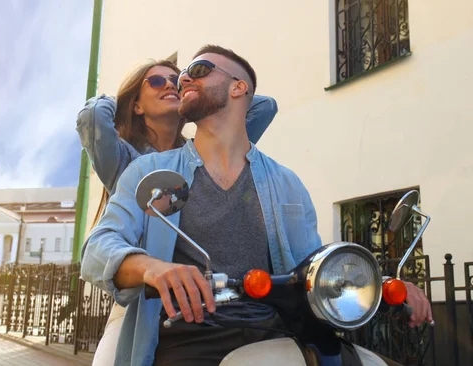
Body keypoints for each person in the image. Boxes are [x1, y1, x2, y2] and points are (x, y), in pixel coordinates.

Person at [81, 45, 433, 366]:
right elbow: (99, 247)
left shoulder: (286, 182)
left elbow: (313, 268)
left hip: (280, 331)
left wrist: (376, 282)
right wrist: (151, 267)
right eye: (181, 75)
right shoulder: (148, 170)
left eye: (199, 70)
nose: (183, 78)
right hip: (189, 337)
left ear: (237, 88)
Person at [76, 59, 278, 365]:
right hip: (144, 303)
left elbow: (263, 105)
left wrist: (196, 87)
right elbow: (91, 116)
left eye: (175, 80)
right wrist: (124, 99)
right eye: (156, 82)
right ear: (137, 106)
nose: (170, 84)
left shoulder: (201, 155)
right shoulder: (123, 159)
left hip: (215, 304)